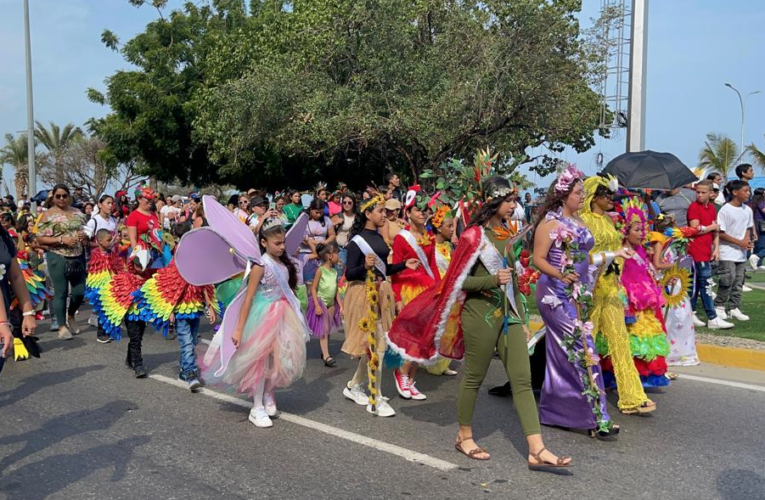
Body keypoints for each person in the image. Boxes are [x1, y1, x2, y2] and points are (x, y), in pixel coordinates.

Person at [387, 175, 572, 468]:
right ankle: (464, 436)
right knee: (474, 376)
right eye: (509, 200)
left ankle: (536, 449)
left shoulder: (505, 233)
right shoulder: (473, 236)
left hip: (508, 314)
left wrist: (522, 318)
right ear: (494, 201)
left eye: (514, 200)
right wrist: (490, 279)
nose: (514, 206)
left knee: (522, 380)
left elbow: (510, 279)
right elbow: (457, 281)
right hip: (480, 314)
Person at [533, 166, 621, 437]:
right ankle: (594, 416)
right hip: (554, 295)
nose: (582, 196)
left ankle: (557, 412)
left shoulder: (580, 222)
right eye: (578, 192)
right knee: (581, 350)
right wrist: (561, 274)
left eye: (583, 191)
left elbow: (584, 259)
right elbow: (537, 259)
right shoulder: (550, 223)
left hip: (577, 296)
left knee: (563, 354)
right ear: (563, 195)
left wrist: (613, 255)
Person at [202, 221, 309, 428]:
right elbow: (249, 297)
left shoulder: (284, 264)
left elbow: (288, 290)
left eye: (283, 243)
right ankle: (257, 406)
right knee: (260, 361)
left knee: (280, 359)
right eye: (277, 243)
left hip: (283, 315)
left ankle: (269, 393)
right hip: (263, 316)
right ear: (263, 242)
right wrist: (240, 328)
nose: (282, 247)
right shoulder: (260, 265)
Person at [580, 174, 656, 415]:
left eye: (611, 195)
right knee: (585, 342)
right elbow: (581, 258)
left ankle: (632, 396)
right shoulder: (582, 221)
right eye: (606, 195)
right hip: (590, 290)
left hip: (611, 287)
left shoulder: (609, 221)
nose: (611, 199)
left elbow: (615, 250)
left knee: (620, 341)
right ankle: (579, 395)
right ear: (594, 198)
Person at [340, 194, 419, 418]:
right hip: (364, 294)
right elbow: (349, 274)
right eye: (380, 211)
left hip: (381, 293)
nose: (385, 214)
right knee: (378, 346)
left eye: (385, 211)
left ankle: (353, 386)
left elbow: (384, 269)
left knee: (375, 344)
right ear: (368, 213)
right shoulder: (357, 242)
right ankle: (375, 397)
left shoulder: (379, 238)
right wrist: (365, 266)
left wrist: (404, 265)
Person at [135, 249, 218, 391]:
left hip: (195, 311)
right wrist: (170, 311)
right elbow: (171, 293)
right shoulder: (175, 271)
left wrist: (209, 306)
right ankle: (191, 374)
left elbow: (204, 287)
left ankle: (183, 371)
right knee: (186, 344)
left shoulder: (198, 270)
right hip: (181, 313)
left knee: (192, 342)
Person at [389, 188, 441, 401]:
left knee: (422, 338)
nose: (422, 214)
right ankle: (400, 374)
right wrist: (398, 298)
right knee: (410, 337)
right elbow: (395, 271)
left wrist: (440, 288)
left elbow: (433, 265)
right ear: (408, 213)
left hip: (427, 289)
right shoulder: (402, 238)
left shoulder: (430, 235)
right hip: (409, 290)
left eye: (425, 210)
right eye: (417, 210)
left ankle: (410, 379)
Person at [618, 198, 670, 388]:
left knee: (648, 338)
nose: (642, 234)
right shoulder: (620, 251)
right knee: (632, 339)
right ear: (625, 230)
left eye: (642, 230)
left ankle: (646, 374)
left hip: (646, 302)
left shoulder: (641, 250)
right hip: (629, 302)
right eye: (637, 230)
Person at [35, 184, 88, 340]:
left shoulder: (77, 212)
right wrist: (61, 239)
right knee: (61, 292)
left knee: (79, 292)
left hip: (78, 255)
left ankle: (70, 315)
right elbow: (39, 238)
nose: (61, 198)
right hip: (57, 255)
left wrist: (83, 236)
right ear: (53, 197)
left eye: (64, 195)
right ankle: (61, 326)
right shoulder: (47, 215)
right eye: (58, 196)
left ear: (69, 196)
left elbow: (85, 231)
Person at [650, 215, 700, 367]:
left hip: (676, 281)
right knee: (670, 319)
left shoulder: (677, 243)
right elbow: (657, 264)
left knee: (682, 317)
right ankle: (669, 352)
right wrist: (674, 266)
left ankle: (684, 351)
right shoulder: (659, 241)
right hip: (665, 281)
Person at [95, 249, 151, 377]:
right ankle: (138, 365)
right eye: (138, 265)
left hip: (143, 314)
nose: (140, 269)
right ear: (133, 263)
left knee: (138, 337)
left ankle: (130, 358)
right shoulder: (125, 279)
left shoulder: (149, 278)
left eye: (143, 266)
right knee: (135, 338)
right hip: (130, 314)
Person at [687, 180, 733, 329]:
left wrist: (716, 248)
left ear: (711, 193)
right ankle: (712, 317)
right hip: (696, 250)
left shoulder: (712, 208)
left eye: (703, 192)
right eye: (698, 192)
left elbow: (715, 231)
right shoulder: (693, 207)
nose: (700, 195)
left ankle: (691, 312)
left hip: (706, 250)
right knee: (706, 284)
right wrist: (712, 226)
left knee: (698, 283)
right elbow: (695, 228)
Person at [426, 203, 458, 377]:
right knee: (436, 328)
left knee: (449, 326)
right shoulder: (429, 246)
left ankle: (442, 362)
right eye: (449, 226)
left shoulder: (448, 247)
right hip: (436, 291)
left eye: (453, 225)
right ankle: (431, 361)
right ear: (438, 228)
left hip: (449, 291)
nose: (452, 229)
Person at [715, 180, 754, 322]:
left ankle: (734, 307)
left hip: (741, 253)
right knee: (727, 279)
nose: (748, 193)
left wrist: (746, 241)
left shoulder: (747, 210)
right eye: (745, 191)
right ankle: (719, 305)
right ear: (735, 192)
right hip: (726, 251)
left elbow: (748, 227)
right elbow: (721, 233)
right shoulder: (725, 210)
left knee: (739, 281)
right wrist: (740, 242)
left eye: (748, 191)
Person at [306, 242, 342, 367]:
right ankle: (326, 356)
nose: (339, 256)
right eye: (337, 253)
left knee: (328, 329)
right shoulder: (320, 270)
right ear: (330, 256)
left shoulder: (334, 272)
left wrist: (341, 305)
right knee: (323, 329)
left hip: (331, 303)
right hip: (321, 302)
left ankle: (325, 351)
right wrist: (316, 305)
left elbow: (336, 290)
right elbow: (313, 289)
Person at [126, 186, 169, 270]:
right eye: (147, 199)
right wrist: (137, 258)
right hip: (143, 254)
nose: (150, 201)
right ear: (139, 199)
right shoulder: (133, 216)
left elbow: (157, 233)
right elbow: (133, 239)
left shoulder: (153, 215)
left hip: (157, 254)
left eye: (151, 199)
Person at [302, 199, 336, 285]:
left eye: (321, 212)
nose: (319, 215)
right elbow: (300, 237)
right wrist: (310, 242)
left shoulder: (326, 219)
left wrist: (325, 242)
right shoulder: (304, 220)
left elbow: (332, 235)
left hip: (322, 252)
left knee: (321, 280)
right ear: (311, 209)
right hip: (308, 252)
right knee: (309, 280)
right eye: (316, 212)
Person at [333, 194, 356, 267]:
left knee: (351, 275)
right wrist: (335, 223)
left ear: (354, 203)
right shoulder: (338, 215)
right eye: (344, 202)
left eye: (349, 203)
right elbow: (327, 228)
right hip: (341, 249)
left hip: (353, 250)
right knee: (339, 273)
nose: (346, 204)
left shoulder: (357, 217)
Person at [751, 187, 765, 269]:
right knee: (761, 244)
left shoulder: (755, 202)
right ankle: (757, 257)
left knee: (759, 244)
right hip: (761, 224)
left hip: (758, 224)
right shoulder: (760, 202)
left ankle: (757, 262)